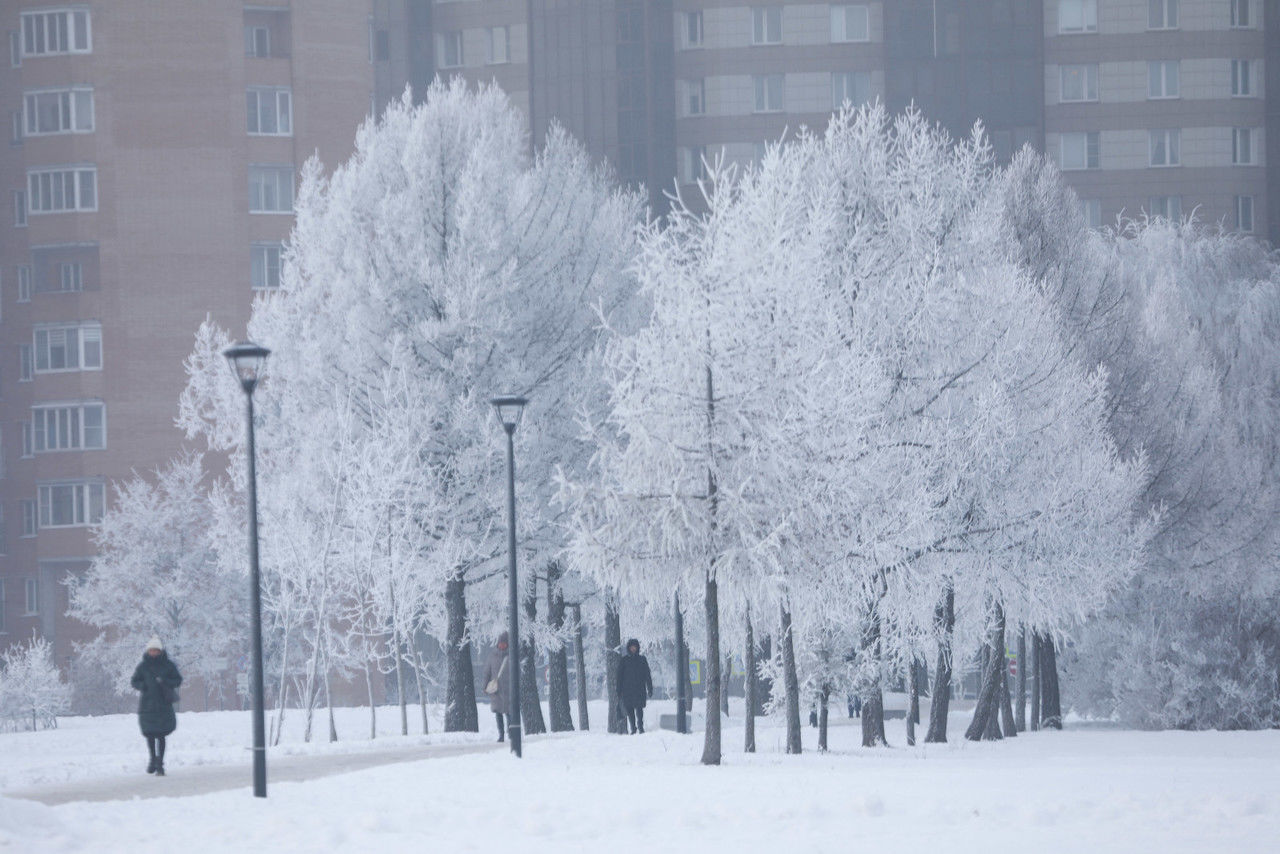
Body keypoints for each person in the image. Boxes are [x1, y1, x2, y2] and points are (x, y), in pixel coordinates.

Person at [130, 636, 182, 776]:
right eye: (151, 650)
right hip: (148, 706)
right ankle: (152, 759)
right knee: (150, 735)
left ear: (160, 651)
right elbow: (134, 681)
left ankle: (160, 764)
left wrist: (166, 681)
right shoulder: (143, 666)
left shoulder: (168, 665)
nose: (153, 653)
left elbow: (177, 680)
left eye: (156, 650)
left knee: (161, 735)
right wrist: (143, 685)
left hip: (163, 705)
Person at [616, 638, 653, 734]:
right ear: (629, 648)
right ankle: (633, 727)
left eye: (635, 647)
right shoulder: (624, 661)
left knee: (639, 709)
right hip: (627, 690)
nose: (633, 649)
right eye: (631, 647)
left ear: (637, 648)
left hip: (639, 689)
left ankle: (640, 726)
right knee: (630, 710)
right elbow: (619, 676)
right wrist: (618, 690)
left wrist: (650, 688)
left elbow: (647, 675)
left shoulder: (642, 660)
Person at [483, 631, 512, 743]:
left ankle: (510, 733)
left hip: (509, 690)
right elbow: (487, 672)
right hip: (497, 691)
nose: (502, 645)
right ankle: (501, 735)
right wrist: (485, 686)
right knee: (498, 714)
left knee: (509, 714)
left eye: (504, 643)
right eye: (500, 643)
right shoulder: (492, 657)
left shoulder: (511, 656)